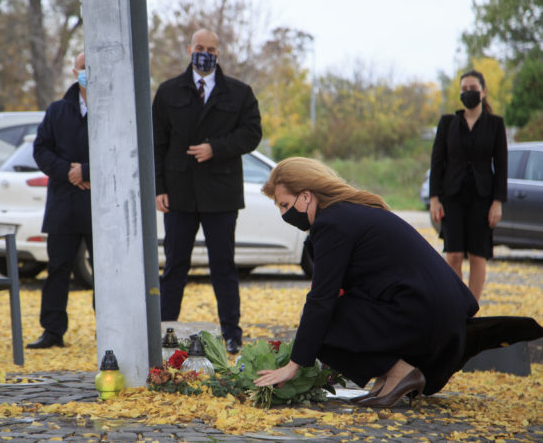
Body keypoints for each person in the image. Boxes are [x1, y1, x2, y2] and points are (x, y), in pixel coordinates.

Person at [253, 157, 542, 408]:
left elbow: (321, 298)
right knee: (326, 317)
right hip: (432, 311)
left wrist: (294, 365)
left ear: (305, 196)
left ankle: (400, 372)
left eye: (285, 205)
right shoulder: (348, 213)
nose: (283, 214)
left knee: (321, 321)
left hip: (425, 315)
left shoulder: (332, 223)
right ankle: (387, 377)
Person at [152, 28, 262, 354]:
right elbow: (157, 144)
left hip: (221, 193)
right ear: (190, 49)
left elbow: (252, 134)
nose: (206, 53)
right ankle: (164, 330)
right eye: (200, 47)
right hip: (179, 193)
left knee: (224, 266)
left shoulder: (239, 93)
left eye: (211, 49)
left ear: (218, 53)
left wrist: (216, 148)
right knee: (174, 266)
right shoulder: (169, 91)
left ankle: (231, 333)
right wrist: (159, 188)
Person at [27, 51, 93, 349]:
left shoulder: (114, 109)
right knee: (58, 268)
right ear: (73, 70)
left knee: (105, 271)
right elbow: (41, 150)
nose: (86, 72)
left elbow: (123, 151)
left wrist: (88, 171)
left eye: (90, 67)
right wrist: (68, 172)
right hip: (64, 204)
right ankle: (52, 330)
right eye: (82, 67)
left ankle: (110, 328)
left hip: (99, 205)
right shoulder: (57, 110)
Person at [429, 69, 508, 303]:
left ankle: (472, 310)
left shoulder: (495, 124)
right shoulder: (447, 123)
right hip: (452, 196)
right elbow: (437, 161)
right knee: (453, 255)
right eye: (464, 89)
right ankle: (456, 306)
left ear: (483, 92)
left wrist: (497, 202)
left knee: (477, 255)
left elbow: (502, 165)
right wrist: (434, 198)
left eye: (472, 89)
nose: (468, 93)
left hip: (483, 198)